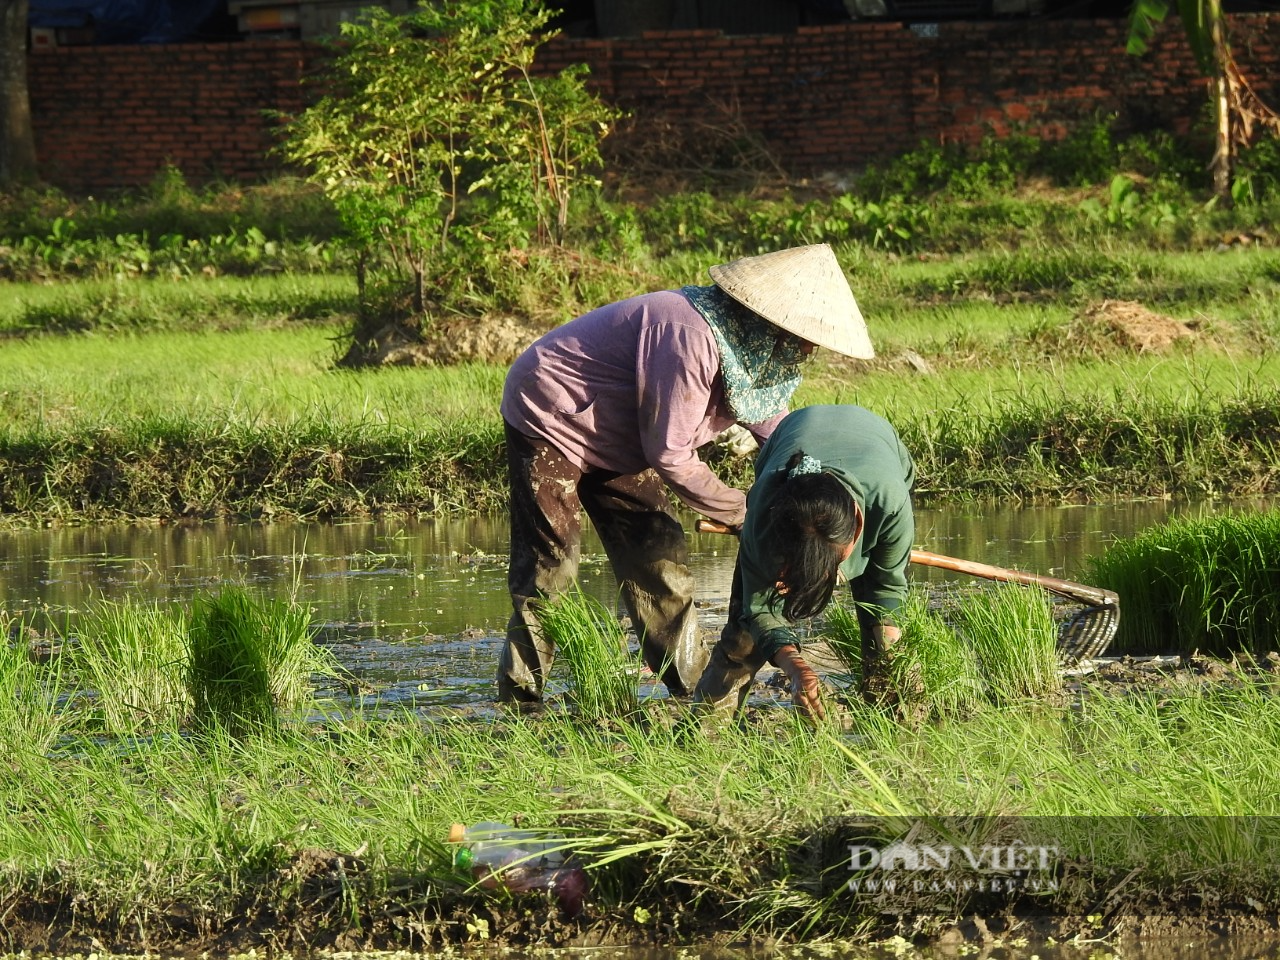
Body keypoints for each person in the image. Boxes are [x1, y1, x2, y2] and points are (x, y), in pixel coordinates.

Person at [497, 244, 875, 704]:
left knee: (660, 554)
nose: (808, 347)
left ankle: (689, 688)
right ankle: (521, 698)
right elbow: (671, 453)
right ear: (771, 320)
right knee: (550, 568)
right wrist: (743, 511)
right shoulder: (687, 334)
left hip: (622, 433)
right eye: (802, 336)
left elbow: (774, 426)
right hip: (552, 413)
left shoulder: (750, 352)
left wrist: (809, 490)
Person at [691, 404, 915, 721]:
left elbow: (886, 589)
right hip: (793, 434)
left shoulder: (888, 504)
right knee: (744, 633)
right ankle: (707, 725)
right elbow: (760, 609)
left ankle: (886, 714)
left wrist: (890, 655)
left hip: (877, 444)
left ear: (858, 531)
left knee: (878, 631)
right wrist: (796, 669)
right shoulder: (767, 509)